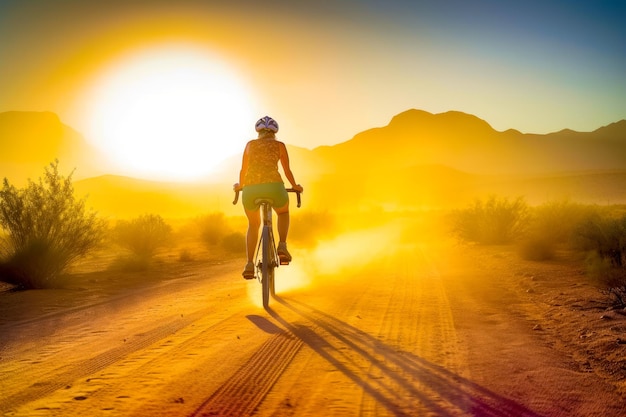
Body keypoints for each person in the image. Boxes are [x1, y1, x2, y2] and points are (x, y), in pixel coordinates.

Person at [233, 116, 303, 279]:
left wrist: (240, 186)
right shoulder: (279, 146)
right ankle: (282, 246)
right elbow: (287, 171)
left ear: (258, 132)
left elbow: (243, 170)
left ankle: (249, 264)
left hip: (250, 190)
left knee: (253, 224)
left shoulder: (250, 145)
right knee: (283, 213)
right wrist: (295, 186)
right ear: (274, 133)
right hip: (275, 188)